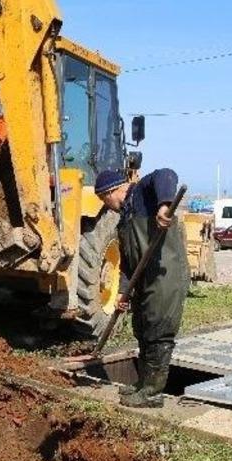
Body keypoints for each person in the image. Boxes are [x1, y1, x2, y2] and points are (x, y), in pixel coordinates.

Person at [94, 169, 190, 408]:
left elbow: (166, 174)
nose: (107, 206)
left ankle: (152, 393)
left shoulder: (141, 193)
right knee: (143, 329)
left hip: (165, 276)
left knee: (158, 331)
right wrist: (122, 291)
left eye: (104, 200)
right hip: (144, 280)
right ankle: (143, 383)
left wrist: (163, 206)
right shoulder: (124, 221)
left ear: (111, 192)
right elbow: (128, 264)